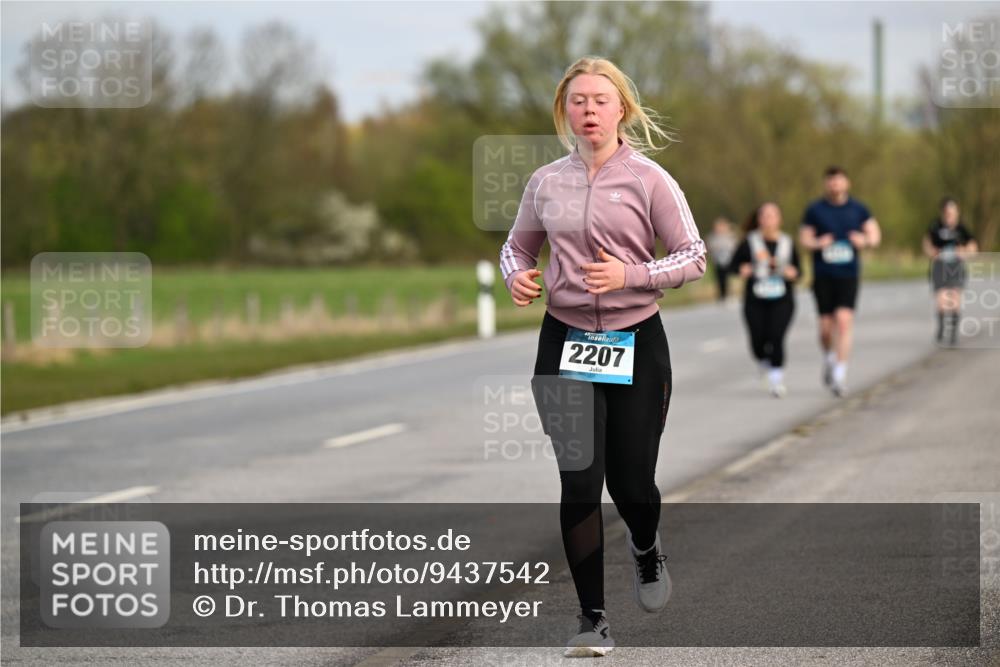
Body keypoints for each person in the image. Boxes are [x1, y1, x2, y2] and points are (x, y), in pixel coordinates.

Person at [499, 56, 705, 658]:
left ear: (622, 109)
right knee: (580, 481)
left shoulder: (649, 180)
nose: (588, 110)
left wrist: (629, 274)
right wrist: (518, 277)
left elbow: (693, 256)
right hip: (564, 341)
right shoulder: (545, 182)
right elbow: (516, 248)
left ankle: (646, 544)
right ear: (565, 109)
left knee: (631, 482)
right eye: (578, 100)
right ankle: (592, 620)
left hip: (636, 340)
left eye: (600, 100)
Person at [799, 166, 881, 397]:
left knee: (844, 321)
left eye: (839, 181)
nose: (835, 185)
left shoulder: (858, 209)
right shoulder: (815, 210)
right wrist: (818, 243)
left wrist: (863, 241)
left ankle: (839, 375)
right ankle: (829, 358)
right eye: (831, 181)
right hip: (823, 275)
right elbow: (804, 239)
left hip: (848, 274)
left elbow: (875, 236)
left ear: (847, 183)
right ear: (826, 184)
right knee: (826, 328)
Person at [732, 203, 801, 397]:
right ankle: (763, 361)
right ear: (759, 219)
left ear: (779, 219)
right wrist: (741, 269)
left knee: (776, 336)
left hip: (782, 298)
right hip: (755, 299)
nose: (769, 220)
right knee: (757, 340)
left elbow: (798, 271)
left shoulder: (787, 242)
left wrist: (792, 273)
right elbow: (733, 265)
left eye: (773, 216)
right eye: (765, 216)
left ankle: (776, 381)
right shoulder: (749, 242)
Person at [923, 197, 978, 346]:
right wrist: (932, 252)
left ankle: (953, 333)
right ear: (943, 213)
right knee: (941, 300)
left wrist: (964, 251)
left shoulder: (962, 228)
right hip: (940, 266)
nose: (950, 216)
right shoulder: (936, 226)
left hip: (956, 266)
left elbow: (973, 248)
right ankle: (941, 326)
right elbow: (927, 243)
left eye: (953, 212)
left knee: (954, 298)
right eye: (948, 213)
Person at [706, 217, 737, 302]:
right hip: (717, 262)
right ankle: (721, 296)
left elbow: (733, 247)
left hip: (727, 261)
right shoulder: (712, 237)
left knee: (727, 278)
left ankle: (727, 295)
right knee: (719, 279)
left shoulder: (729, 236)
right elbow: (709, 248)